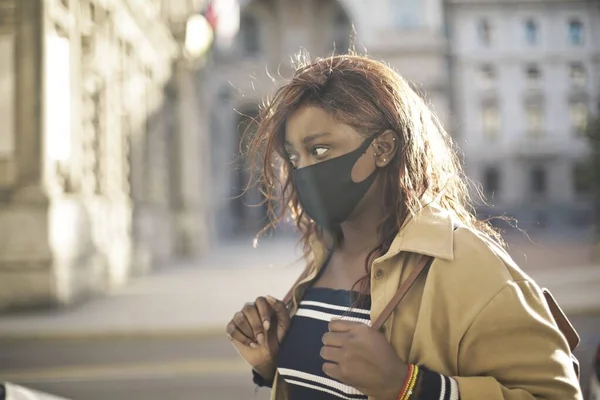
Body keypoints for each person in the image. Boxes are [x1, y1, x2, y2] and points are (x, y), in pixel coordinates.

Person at [225, 54, 582, 400]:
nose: (302, 171)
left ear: (383, 148)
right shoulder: (326, 251)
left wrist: (409, 387)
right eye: (293, 157)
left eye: (319, 150)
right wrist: (273, 363)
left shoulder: (468, 264)